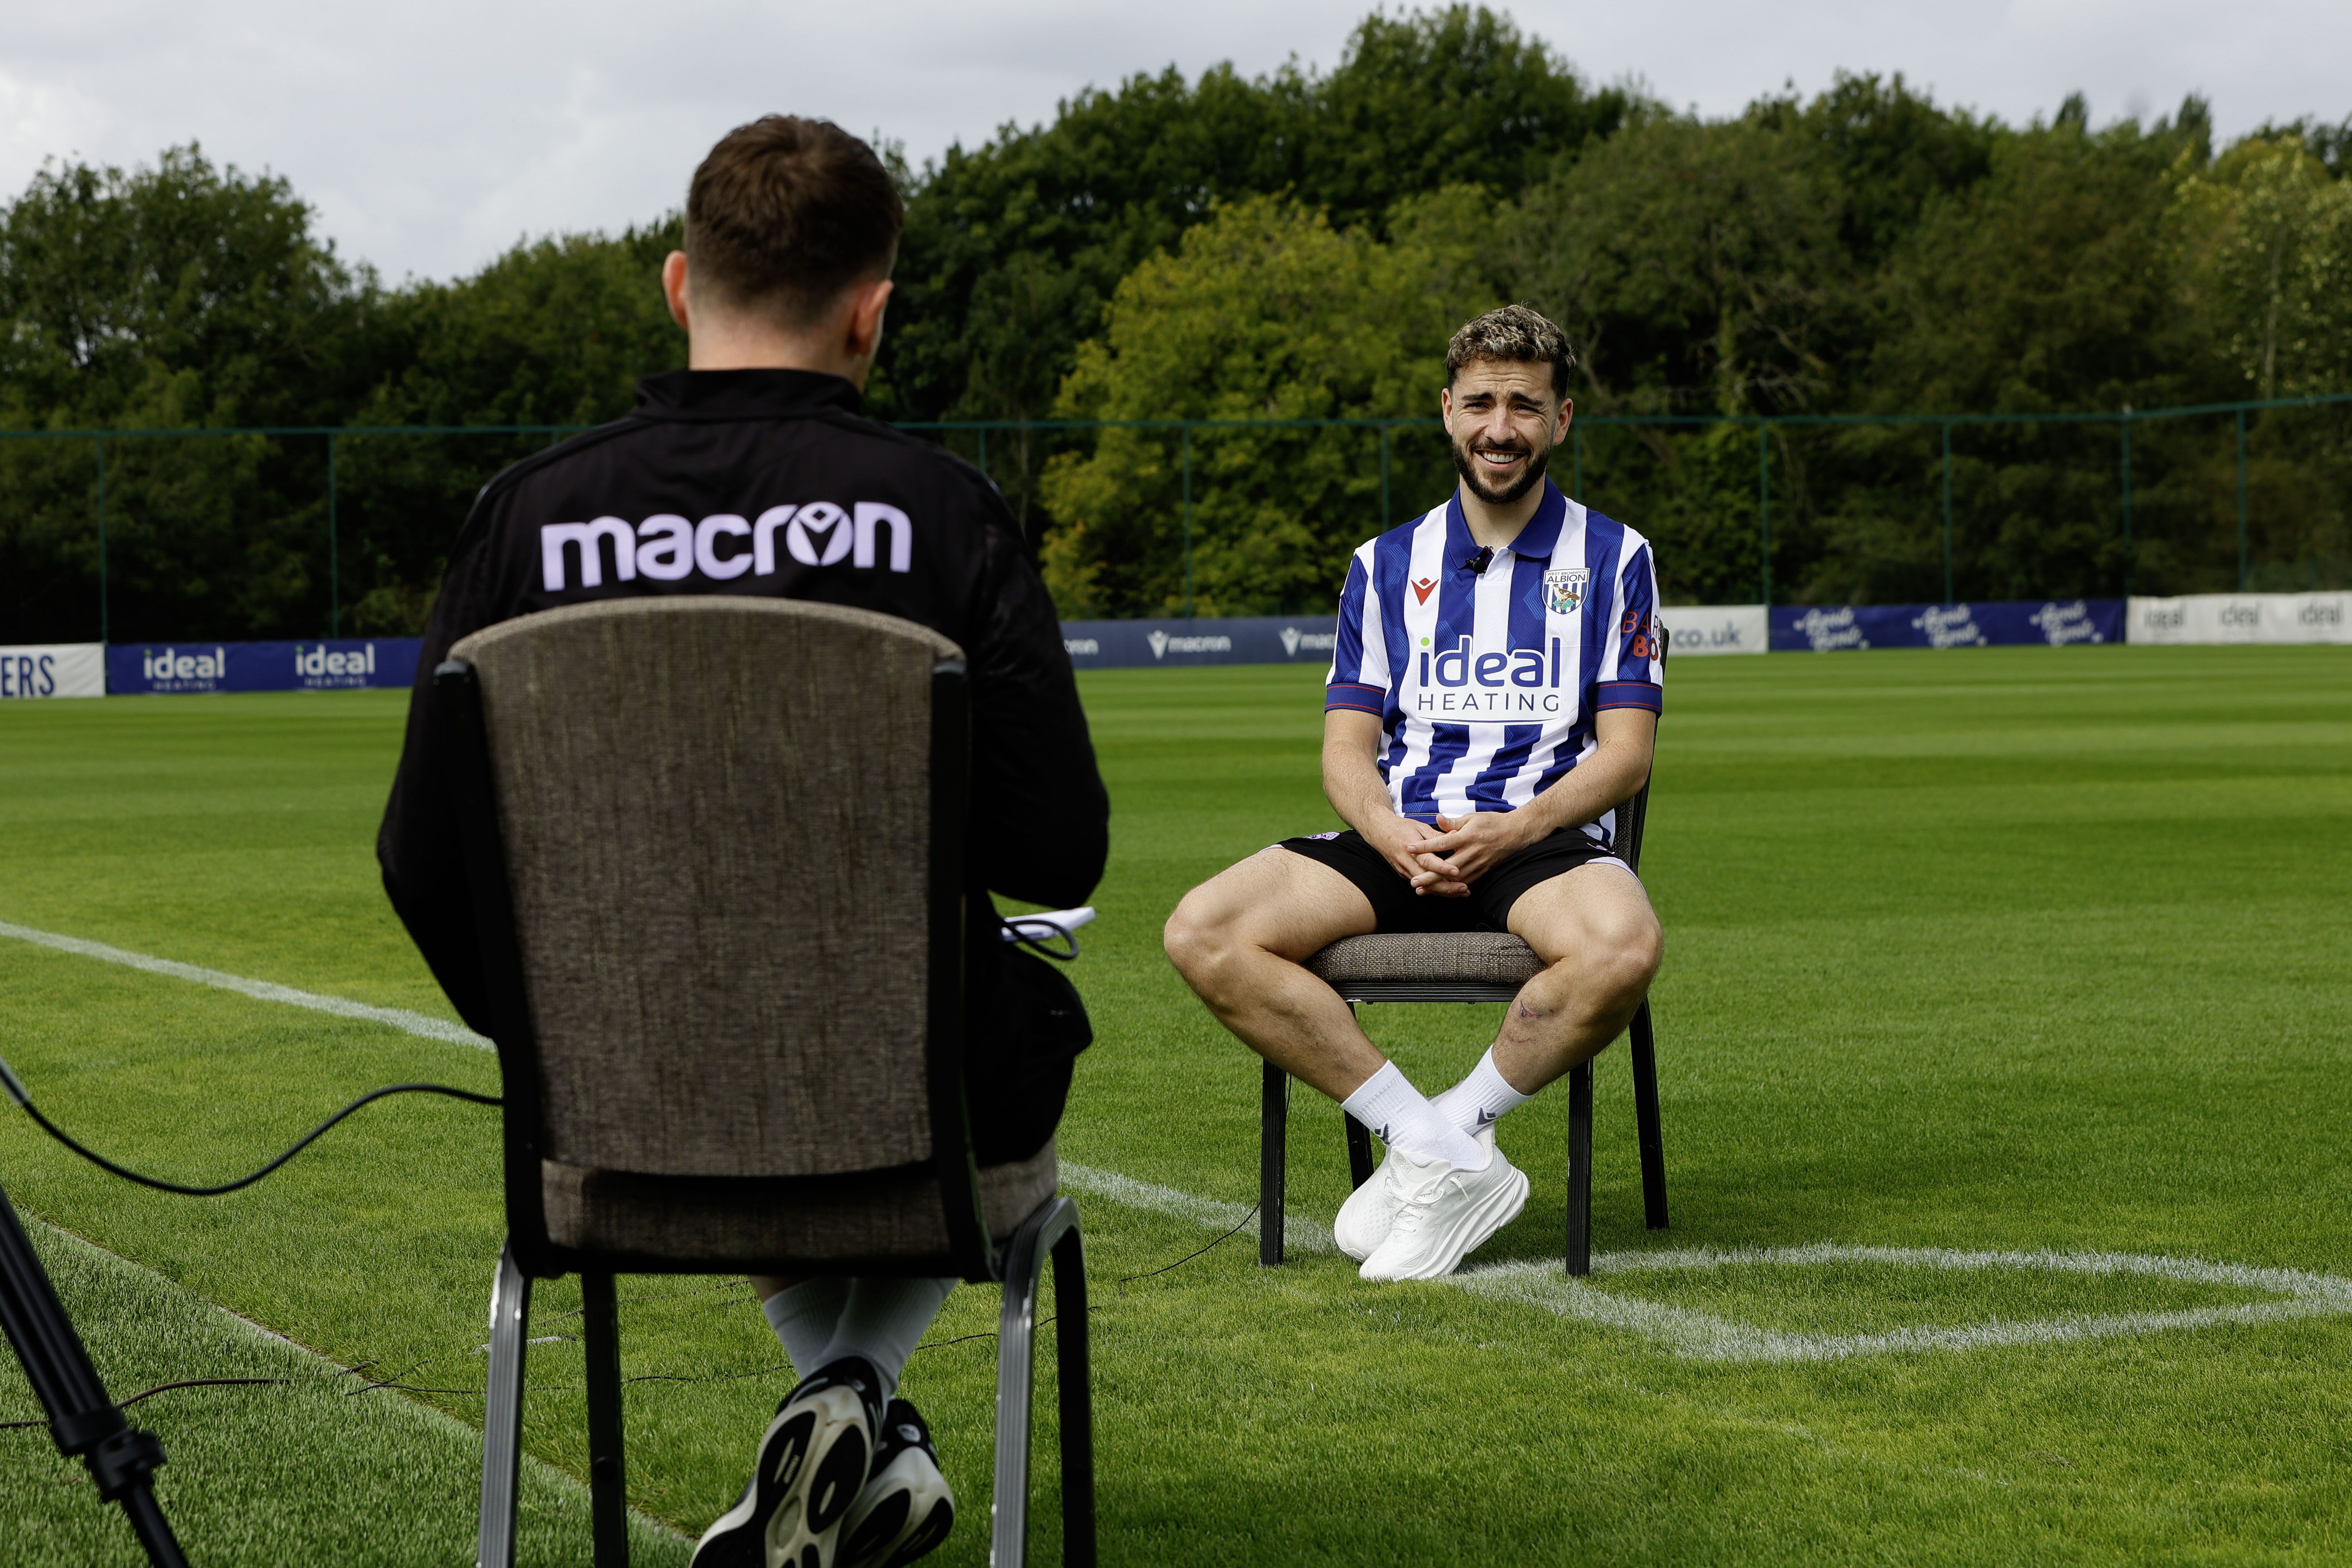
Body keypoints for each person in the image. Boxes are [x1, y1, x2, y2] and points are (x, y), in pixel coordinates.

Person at [375, 115, 1108, 1568]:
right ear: (871, 309)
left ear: (675, 283)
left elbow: (419, 858)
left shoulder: (527, 519)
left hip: (619, 1123)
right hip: (907, 1115)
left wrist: (576, 1053)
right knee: (1018, 1017)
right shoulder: (940, 514)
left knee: (756, 1036)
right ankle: (856, 1390)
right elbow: (1057, 852)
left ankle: (849, 1410)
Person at [1163, 304, 1663, 1283]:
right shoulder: (1385, 564)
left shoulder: (1614, 557)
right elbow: (1346, 750)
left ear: (1561, 420)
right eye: (1480, 402)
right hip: (1401, 837)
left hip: (1539, 839)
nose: (1500, 427)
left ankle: (1458, 1130)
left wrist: (1518, 825)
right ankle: (1433, 1146)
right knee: (1202, 930)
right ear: (1446, 411)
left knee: (1625, 946)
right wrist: (1388, 831)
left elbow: (1625, 755)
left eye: (1525, 405)